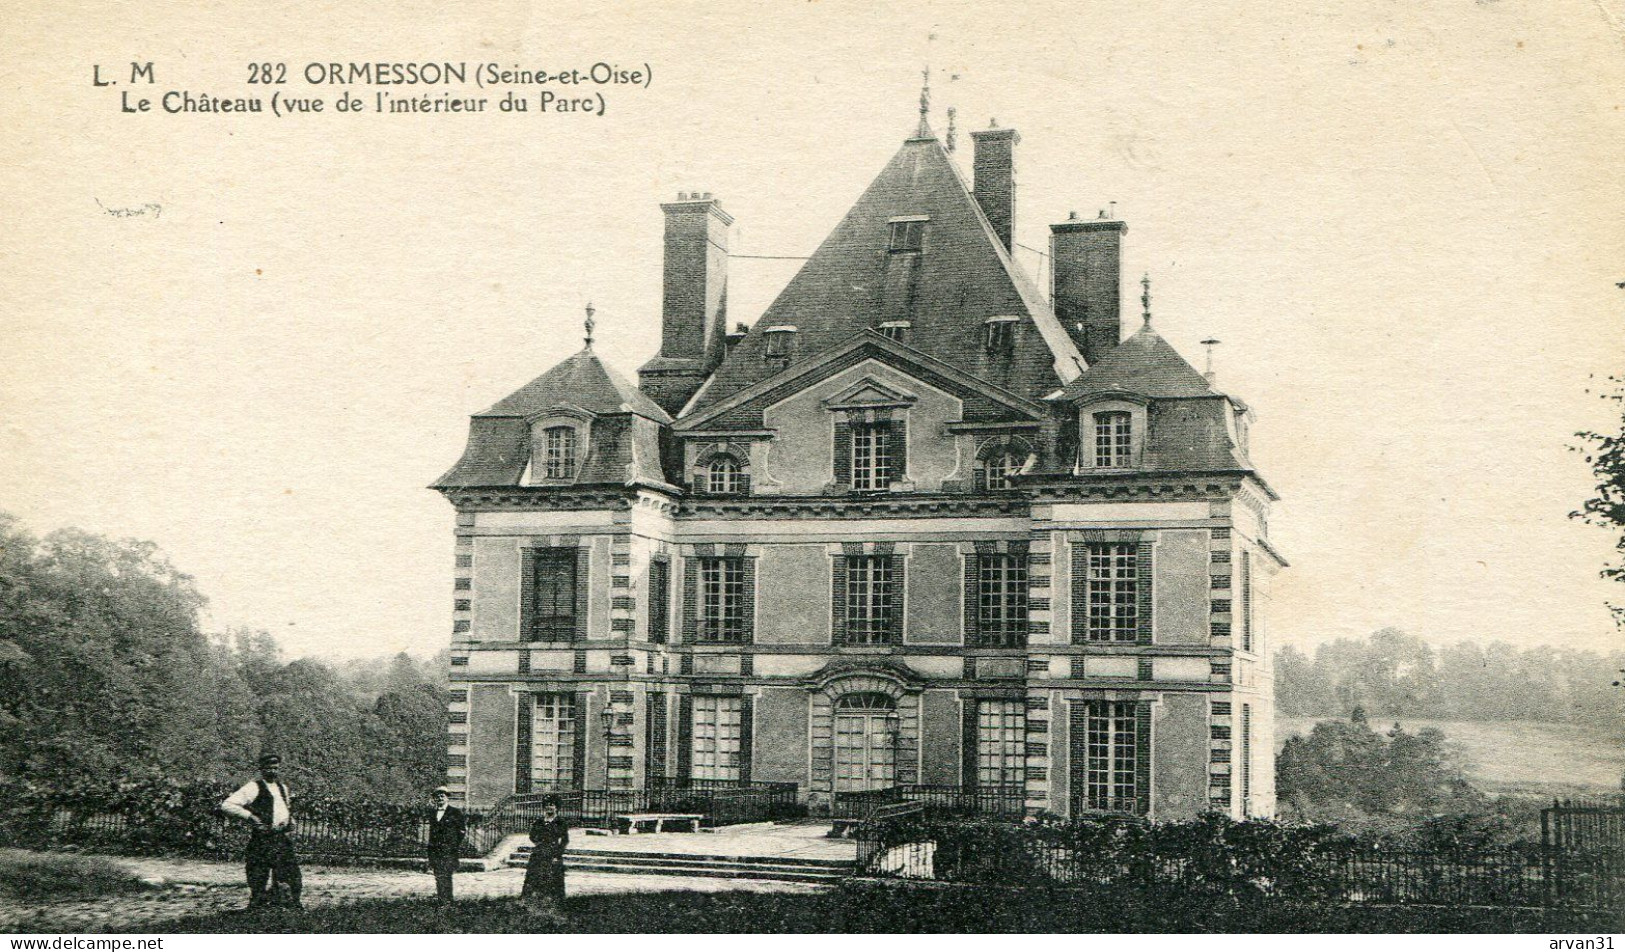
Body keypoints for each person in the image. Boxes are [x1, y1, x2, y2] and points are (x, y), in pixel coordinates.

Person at [220, 753, 303, 910]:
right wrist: (250, 817)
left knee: (290, 870)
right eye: (269, 768)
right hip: (262, 838)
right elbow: (228, 805)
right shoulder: (254, 787)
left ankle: (290, 903)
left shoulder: (282, 788)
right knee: (258, 872)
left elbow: (283, 807)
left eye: (276, 768)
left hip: (280, 837)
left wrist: (290, 819)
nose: (273, 771)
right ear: (262, 769)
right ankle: (257, 904)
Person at [520, 798, 569, 905]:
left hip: (553, 853)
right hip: (539, 852)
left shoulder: (561, 822)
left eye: (552, 805)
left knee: (554, 877)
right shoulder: (539, 821)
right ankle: (530, 900)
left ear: (557, 808)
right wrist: (538, 842)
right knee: (533, 875)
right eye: (547, 805)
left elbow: (565, 840)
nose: (549, 807)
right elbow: (532, 835)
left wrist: (557, 854)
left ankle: (555, 901)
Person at [426, 786, 466, 903]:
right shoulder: (433, 813)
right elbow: (432, 833)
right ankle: (440, 899)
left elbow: (461, 832)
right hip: (435, 850)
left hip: (449, 851)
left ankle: (448, 900)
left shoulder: (455, 812)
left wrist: (452, 845)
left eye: (442, 796)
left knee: (447, 876)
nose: (440, 798)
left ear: (447, 798)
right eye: (437, 797)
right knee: (438, 876)